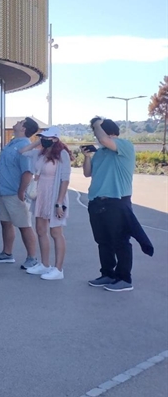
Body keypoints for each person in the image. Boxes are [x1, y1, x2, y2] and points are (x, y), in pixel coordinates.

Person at [84, 118, 138, 292]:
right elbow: (87, 173)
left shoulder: (125, 145)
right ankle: (107, 273)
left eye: (96, 130)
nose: (95, 134)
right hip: (97, 202)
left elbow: (104, 140)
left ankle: (124, 278)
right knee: (103, 241)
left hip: (117, 200)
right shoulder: (100, 152)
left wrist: (97, 123)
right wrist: (87, 157)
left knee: (120, 241)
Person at [19, 127, 70, 280]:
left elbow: (65, 180)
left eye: (46, 137)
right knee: (40, 230)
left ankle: (58, 269)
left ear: (55, 138)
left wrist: (59, 202)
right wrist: (36, 142)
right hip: (40, 195)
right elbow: (22, 151)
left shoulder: (62, 154)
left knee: (56, 232)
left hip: (54, 195)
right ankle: (45, 264)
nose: (43, 139)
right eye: (42, 137)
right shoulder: (39, 152)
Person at [0, 117, 41, 271]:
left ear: (24, 128)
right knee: (5, 222)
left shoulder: (24, 146)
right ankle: (7, 253)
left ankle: (32, 258)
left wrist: (21, 191)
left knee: (24, 225)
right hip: (4, 191)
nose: (17, 122)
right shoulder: (13, 143)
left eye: (21, 122)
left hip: (15, 193)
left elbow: (27, 172)